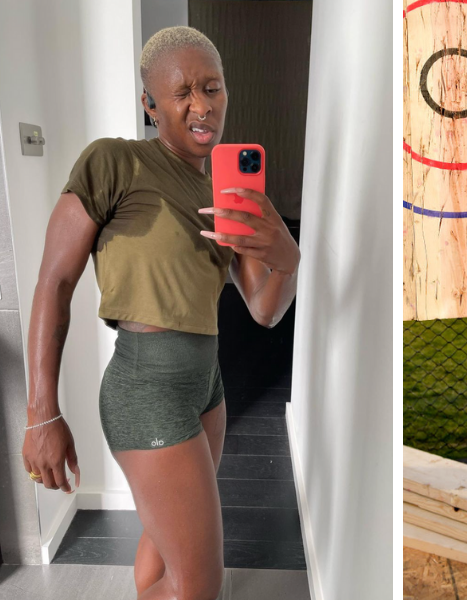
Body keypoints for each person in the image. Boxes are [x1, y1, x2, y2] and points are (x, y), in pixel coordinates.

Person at [21, 26, 300, 599]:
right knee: (198, 586)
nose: (202, 106)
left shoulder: (231, 196)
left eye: (212, 88)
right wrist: (41, 413)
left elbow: (265, 311)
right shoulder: (114, 162)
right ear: (150, 105)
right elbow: (55, 282)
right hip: (145, 386)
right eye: (182, 93)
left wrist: (287, 255)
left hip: (207, 384)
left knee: (165, 553)